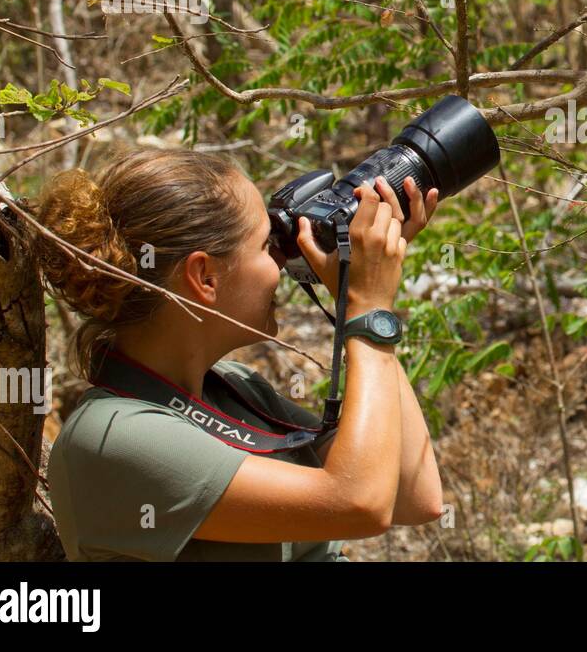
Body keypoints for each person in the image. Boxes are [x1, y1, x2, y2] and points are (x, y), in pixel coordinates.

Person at [35, 147, 442, 561]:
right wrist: (368, 309)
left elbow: (413, 495)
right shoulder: (111, 437)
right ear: (204, 277)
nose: (282, 263)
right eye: (267, 246)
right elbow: (361, 504)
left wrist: (353, 297)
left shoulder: (234, 388)